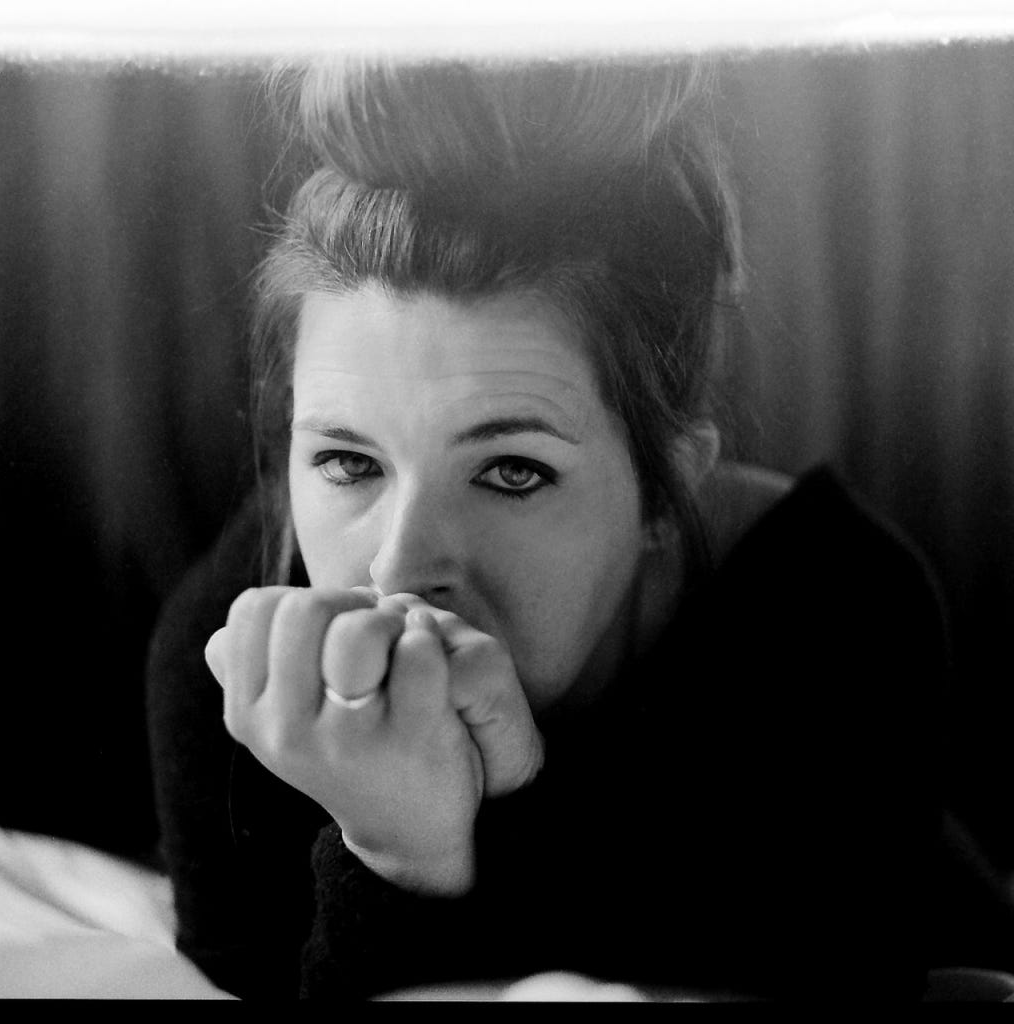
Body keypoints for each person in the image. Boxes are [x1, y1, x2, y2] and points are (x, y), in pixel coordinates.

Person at [146, 56, 950, 1001]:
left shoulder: (843, 617)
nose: (398, 566)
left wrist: (471, 828)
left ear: (666, 492)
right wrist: (395, 853)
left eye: (511, 471)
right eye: (349, 462)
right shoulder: (225, 671)